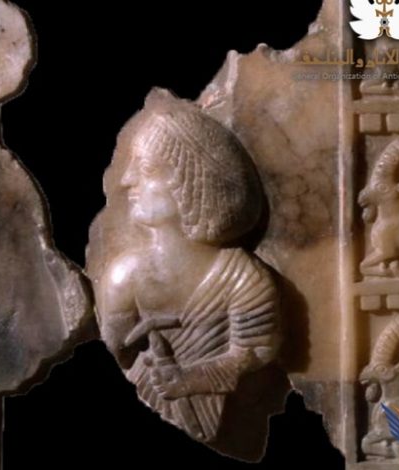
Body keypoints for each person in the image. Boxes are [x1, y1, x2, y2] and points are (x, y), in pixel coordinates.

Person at [97, 89, 280, 442]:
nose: (127, 180)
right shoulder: (124, 277)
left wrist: (191, 380)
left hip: (213, 416)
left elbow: (256, 351)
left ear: (191, 184)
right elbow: (118, 350)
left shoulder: (244, 280)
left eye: (146, 169)